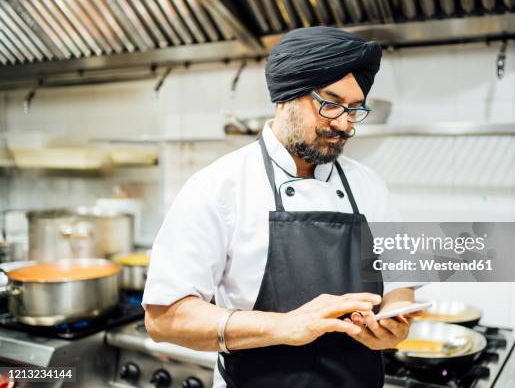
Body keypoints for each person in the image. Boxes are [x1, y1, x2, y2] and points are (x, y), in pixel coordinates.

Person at [143, 26, 426, 388]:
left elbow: (401, 289)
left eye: (354, 110)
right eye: (330, 103)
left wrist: (393, 326)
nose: (343, 124)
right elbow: (164, 319)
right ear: (286, 97)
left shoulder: (370, 185)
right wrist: (285, 326)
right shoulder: (217, 187)